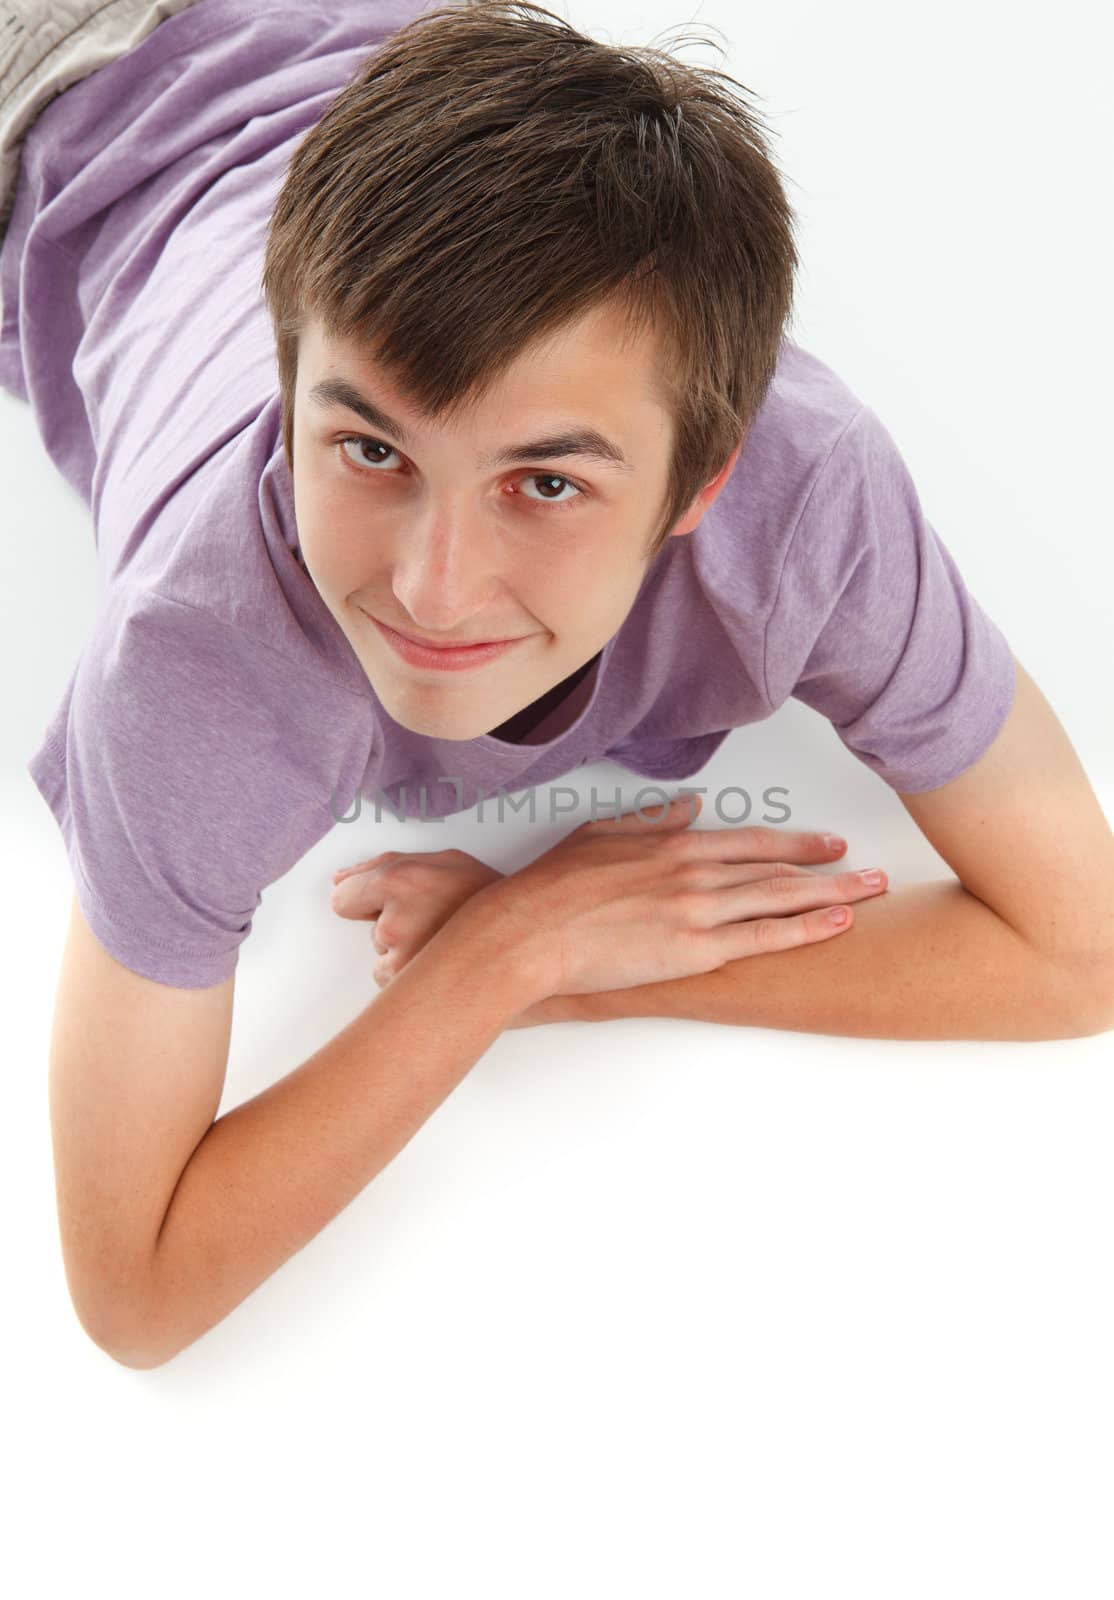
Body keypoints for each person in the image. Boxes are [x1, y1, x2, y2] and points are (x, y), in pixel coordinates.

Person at [5, 0, 1110, 1367]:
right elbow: (137, 1290)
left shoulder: (804, 498)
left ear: (702, 482)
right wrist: (503, 957)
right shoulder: (198, 656)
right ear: (289, 393)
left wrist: (586, 968)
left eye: (545, 483)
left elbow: (1081, 952)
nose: (432, 586)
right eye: (367, 452)